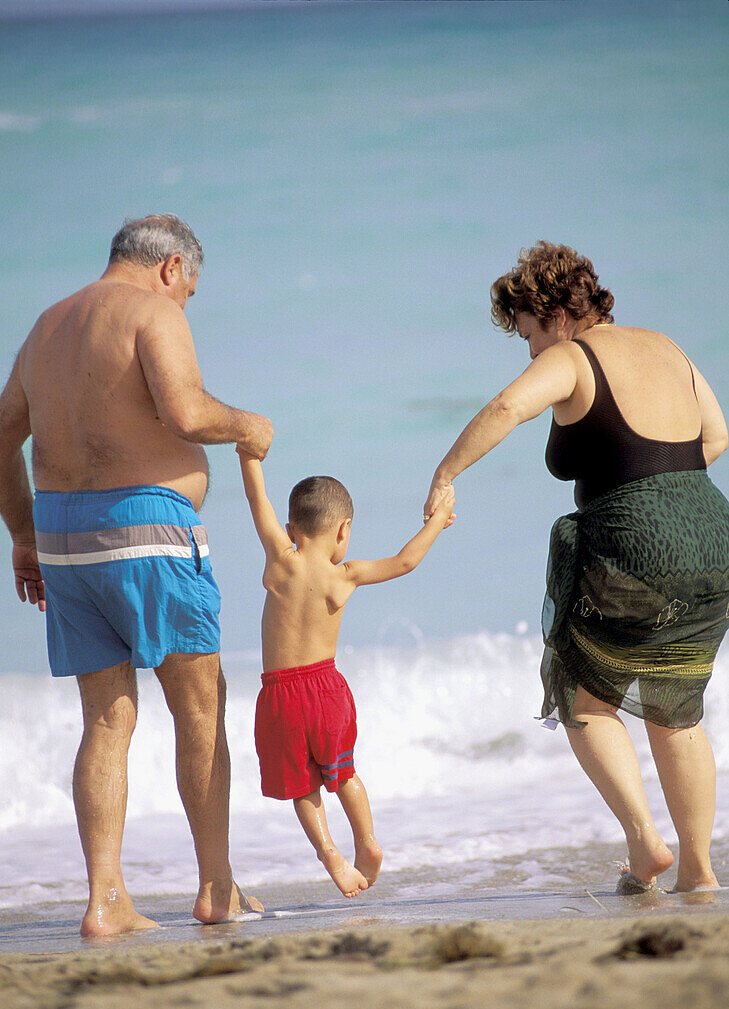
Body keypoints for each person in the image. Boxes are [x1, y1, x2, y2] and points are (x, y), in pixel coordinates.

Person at [425, 240, 729, 894]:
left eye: (528, 332)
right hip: (710, 532)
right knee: (675, 707)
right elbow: (717, 434)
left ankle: (645, 842)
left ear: (553, 312)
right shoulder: (668, 349)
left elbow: (508, 408)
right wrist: (671, 499)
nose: (530, 350)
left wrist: (445, 473)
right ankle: (699, 873)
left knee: (582, 696)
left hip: (635, 539)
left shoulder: (572, 357)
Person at [0, 214, 274, 936]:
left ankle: (105, 900)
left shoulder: (48, 323)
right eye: (190, 291)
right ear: (172, 268)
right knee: (199, 707)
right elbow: (185, 412)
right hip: (146, 533)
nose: (184, 304)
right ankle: (216, 888)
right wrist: (247, 425)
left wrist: (23, 535)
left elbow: (3, 430)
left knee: (106, 719)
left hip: (62, 536)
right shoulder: (153, 310)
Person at [238, 448, 455, 897]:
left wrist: (249, 457)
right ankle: (367, 841)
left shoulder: (282, 560)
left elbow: (258, 503)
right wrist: (436, 522)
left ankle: (331, 855)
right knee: (344, 775)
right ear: (343, 531)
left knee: (303, 787)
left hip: (280, 695)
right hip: (326, 690)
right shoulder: (345, 575)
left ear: (292, 529)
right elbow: (404, 562)